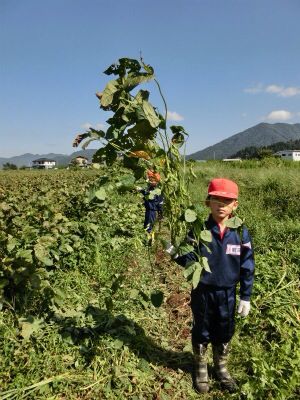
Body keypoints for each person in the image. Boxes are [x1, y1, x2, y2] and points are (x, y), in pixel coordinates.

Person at [169, 178, 255, 393]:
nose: (222, 204)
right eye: (217, 199)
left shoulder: (240, 231)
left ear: (235, 204)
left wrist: (245, 295)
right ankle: (200, 367)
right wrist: (176, 253)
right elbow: (189, 258)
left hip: (227, 292)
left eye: (228, 200)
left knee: (225, 328)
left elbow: (247, 264)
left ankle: (221, 367)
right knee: (202, 328)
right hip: (203, 291)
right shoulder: (198, 229)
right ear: (208, 202)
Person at [138, 169, 164, 243]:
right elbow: (147, 194)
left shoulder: (158, 190)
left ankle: (150, 242)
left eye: (151, 180)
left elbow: (160, 204)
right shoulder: (150, 188)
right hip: (149, 210)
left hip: (152, 211)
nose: (150, 181)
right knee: (147, 225)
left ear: (156, 181)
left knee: (148, 227)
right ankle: (150, 240)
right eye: (149, 180)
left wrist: (160, 214)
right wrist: (141, 190)